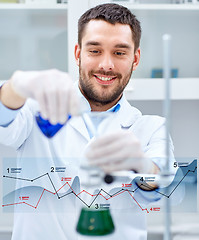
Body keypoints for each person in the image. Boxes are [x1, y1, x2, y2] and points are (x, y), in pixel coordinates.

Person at [0, 3, 174, 240]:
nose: (106, 65)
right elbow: (4, 122)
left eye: (120, 52)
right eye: (95, 51)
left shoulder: (152, 128)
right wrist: (15, 86)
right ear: (78, 54)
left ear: (135, 59)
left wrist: (143, 166)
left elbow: (161, 181)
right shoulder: (36, 112)